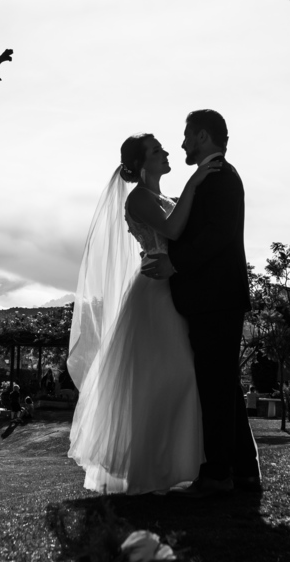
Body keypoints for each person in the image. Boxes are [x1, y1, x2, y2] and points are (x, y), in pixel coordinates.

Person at [67, 131, 222, 494]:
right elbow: (171, 229)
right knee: (165, 377)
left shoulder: (161, 196)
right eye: (156, 150)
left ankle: (171, 468)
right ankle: (146, 473)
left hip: (174, 286)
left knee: (178, 376)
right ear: (139, 164)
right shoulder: (138, 199)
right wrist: (196, 181)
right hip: (154, 291)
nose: (166, 152)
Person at [143, 109, 262, 497]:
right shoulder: (211, 178)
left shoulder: (221, 178)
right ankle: (244, 471)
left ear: (204, 137)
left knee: (215, 388)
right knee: (223, 387)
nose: (182, 145)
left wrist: (175, 262)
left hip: (216, 298)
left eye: (187, 137)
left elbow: (219, 236)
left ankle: (217, 474)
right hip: (212, 298)